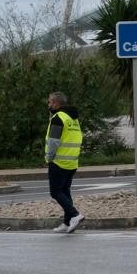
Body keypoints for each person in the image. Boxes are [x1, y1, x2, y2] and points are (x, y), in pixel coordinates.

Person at [45, 91, 85, 233]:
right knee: (65, 191)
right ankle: (67, 223)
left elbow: (54, 141)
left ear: (56, 103)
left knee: (55, 192)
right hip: (72, 162)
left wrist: (49, 157)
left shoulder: (58, 118)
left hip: (59, 161)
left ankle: (75, 214)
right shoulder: (73, 118)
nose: (48, 104)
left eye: (50, 102)